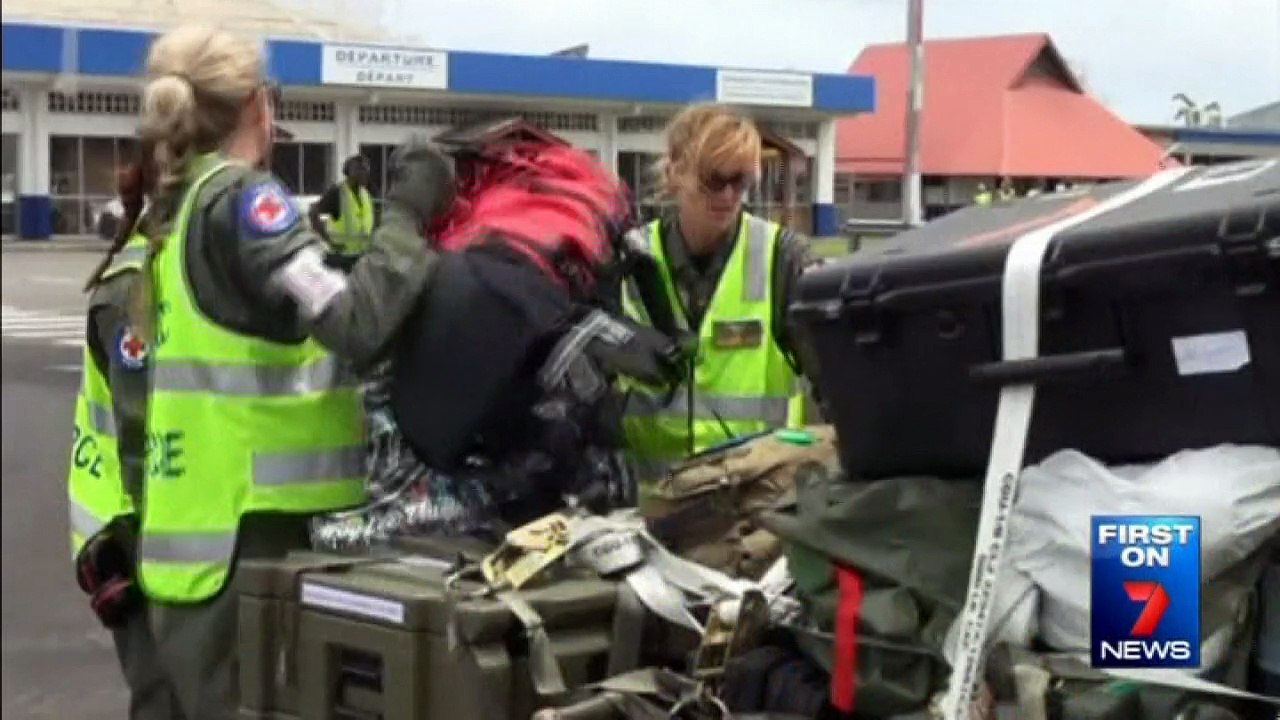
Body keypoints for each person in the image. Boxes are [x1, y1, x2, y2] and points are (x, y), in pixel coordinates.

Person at [125, 24, 454, 718]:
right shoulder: (245, 204)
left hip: (193, 554)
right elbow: (356, 323)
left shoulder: (180, 208)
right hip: (254, 555)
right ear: (257, 105)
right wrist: (407, 214)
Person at [618, 103, 822, 483]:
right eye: (715, 179)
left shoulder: (783, 258)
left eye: (742, 181)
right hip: (656, 504)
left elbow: (833, 381)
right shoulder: (629, 260)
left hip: (755, 506)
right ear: (675, 171)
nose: (729, 195)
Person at [68, 158, 182, 719]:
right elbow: (142, 433)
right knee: (164, 698)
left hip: (157, 535)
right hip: (132, 534)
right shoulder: (136, 287)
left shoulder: (174, 266)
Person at [308, 154, 375, 255]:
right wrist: (329, 241)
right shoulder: (338, 192)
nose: (364, 174)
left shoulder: (366, 195)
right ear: (349, 172)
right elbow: (313, 213)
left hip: (360, 256)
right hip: (340, 256)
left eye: (366, 170)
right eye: (360, 170)